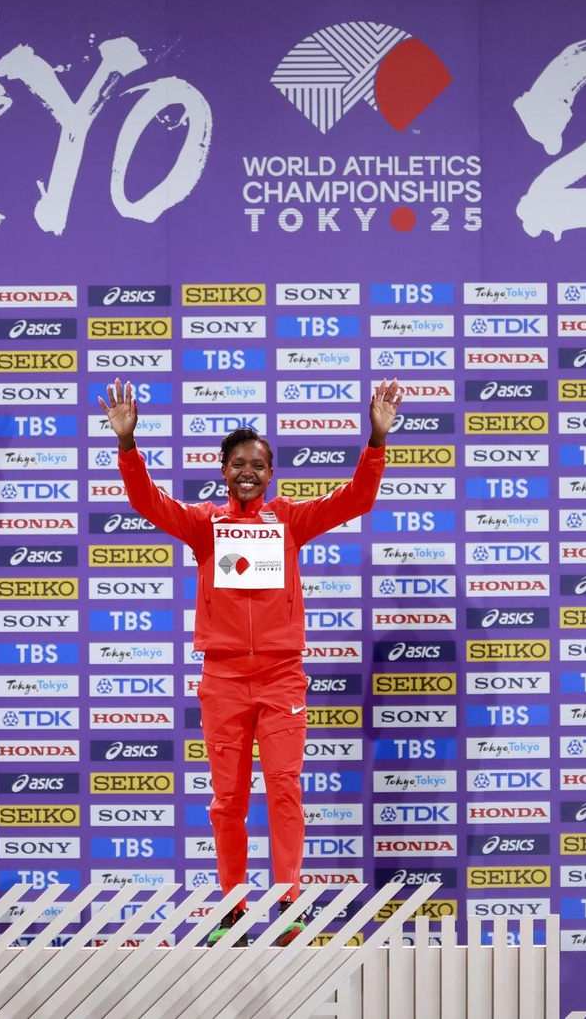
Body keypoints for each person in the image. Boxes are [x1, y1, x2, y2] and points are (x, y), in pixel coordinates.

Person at [100, 376, 403, 946]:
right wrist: (127, 444)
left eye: (258, 465)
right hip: (222, 680)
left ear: (271, 473)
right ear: (223, 470)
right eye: (238, 463)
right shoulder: (204, 525)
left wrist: (377, 438)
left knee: (285, 788)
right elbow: (146, 501)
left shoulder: (290, 519)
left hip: (281, 677)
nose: (248, 472)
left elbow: (355, 500)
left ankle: (289, 904)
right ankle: (234, 908)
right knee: (228, 801)